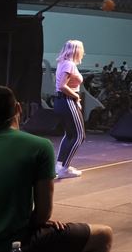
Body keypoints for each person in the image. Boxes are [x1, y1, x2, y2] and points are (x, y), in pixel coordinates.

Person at [0, 85, 113, 252]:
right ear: (18, 108)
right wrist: (38, 222)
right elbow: (43, 214)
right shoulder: (38, 146)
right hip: (9, 244)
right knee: (103, 235)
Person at [54, 39, 87, 179]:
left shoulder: (63, 63)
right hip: (67, 100)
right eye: (82, 50)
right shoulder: (69, 64)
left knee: (69, 134)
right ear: (77, 51)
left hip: (62, 101)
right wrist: (76, 97)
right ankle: (64, 168)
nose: (83, 53)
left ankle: (60, 165)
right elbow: (62, 86)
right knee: (79, 135)